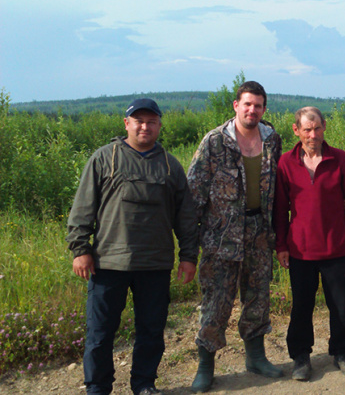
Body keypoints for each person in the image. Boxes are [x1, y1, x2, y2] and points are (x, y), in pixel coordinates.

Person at [66, 98, 199, 395]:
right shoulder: (104, 158)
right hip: (108, 262)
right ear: (126, 123)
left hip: (155, 264)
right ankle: (97, 387)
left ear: (159, 126)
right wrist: (81, 249)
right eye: (138, 120)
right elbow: (82, 208)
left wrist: (189, 257)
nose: (145, 126)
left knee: (151, 331)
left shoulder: (170, 165)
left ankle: (144, 383)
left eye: (151, 121)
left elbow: (186, 217)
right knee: (100, 333)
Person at [186, 81, 283, 392]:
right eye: (247, 104)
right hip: (221, 236)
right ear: (235, 106)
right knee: (216, 303)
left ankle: (255, 357)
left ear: (264, 109)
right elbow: (194, 195)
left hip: (259, 234)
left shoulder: (272, 141)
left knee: (258, 299)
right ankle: (205, 366)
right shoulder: (215, 142)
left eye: (258, 105)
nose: (252, 110)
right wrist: (189, 246)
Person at [274, 106, 345, 380]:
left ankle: (341, 351)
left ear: (324, 127)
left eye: (317, 129)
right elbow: (280, 209)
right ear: (296, 130)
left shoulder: (339, 160)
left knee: (341, 304)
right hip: (300, 248)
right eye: (307, 130)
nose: (313, 135)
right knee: (302, 305)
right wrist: (281, 246)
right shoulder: (286, 163)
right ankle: (301, 356)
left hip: (337, 245)